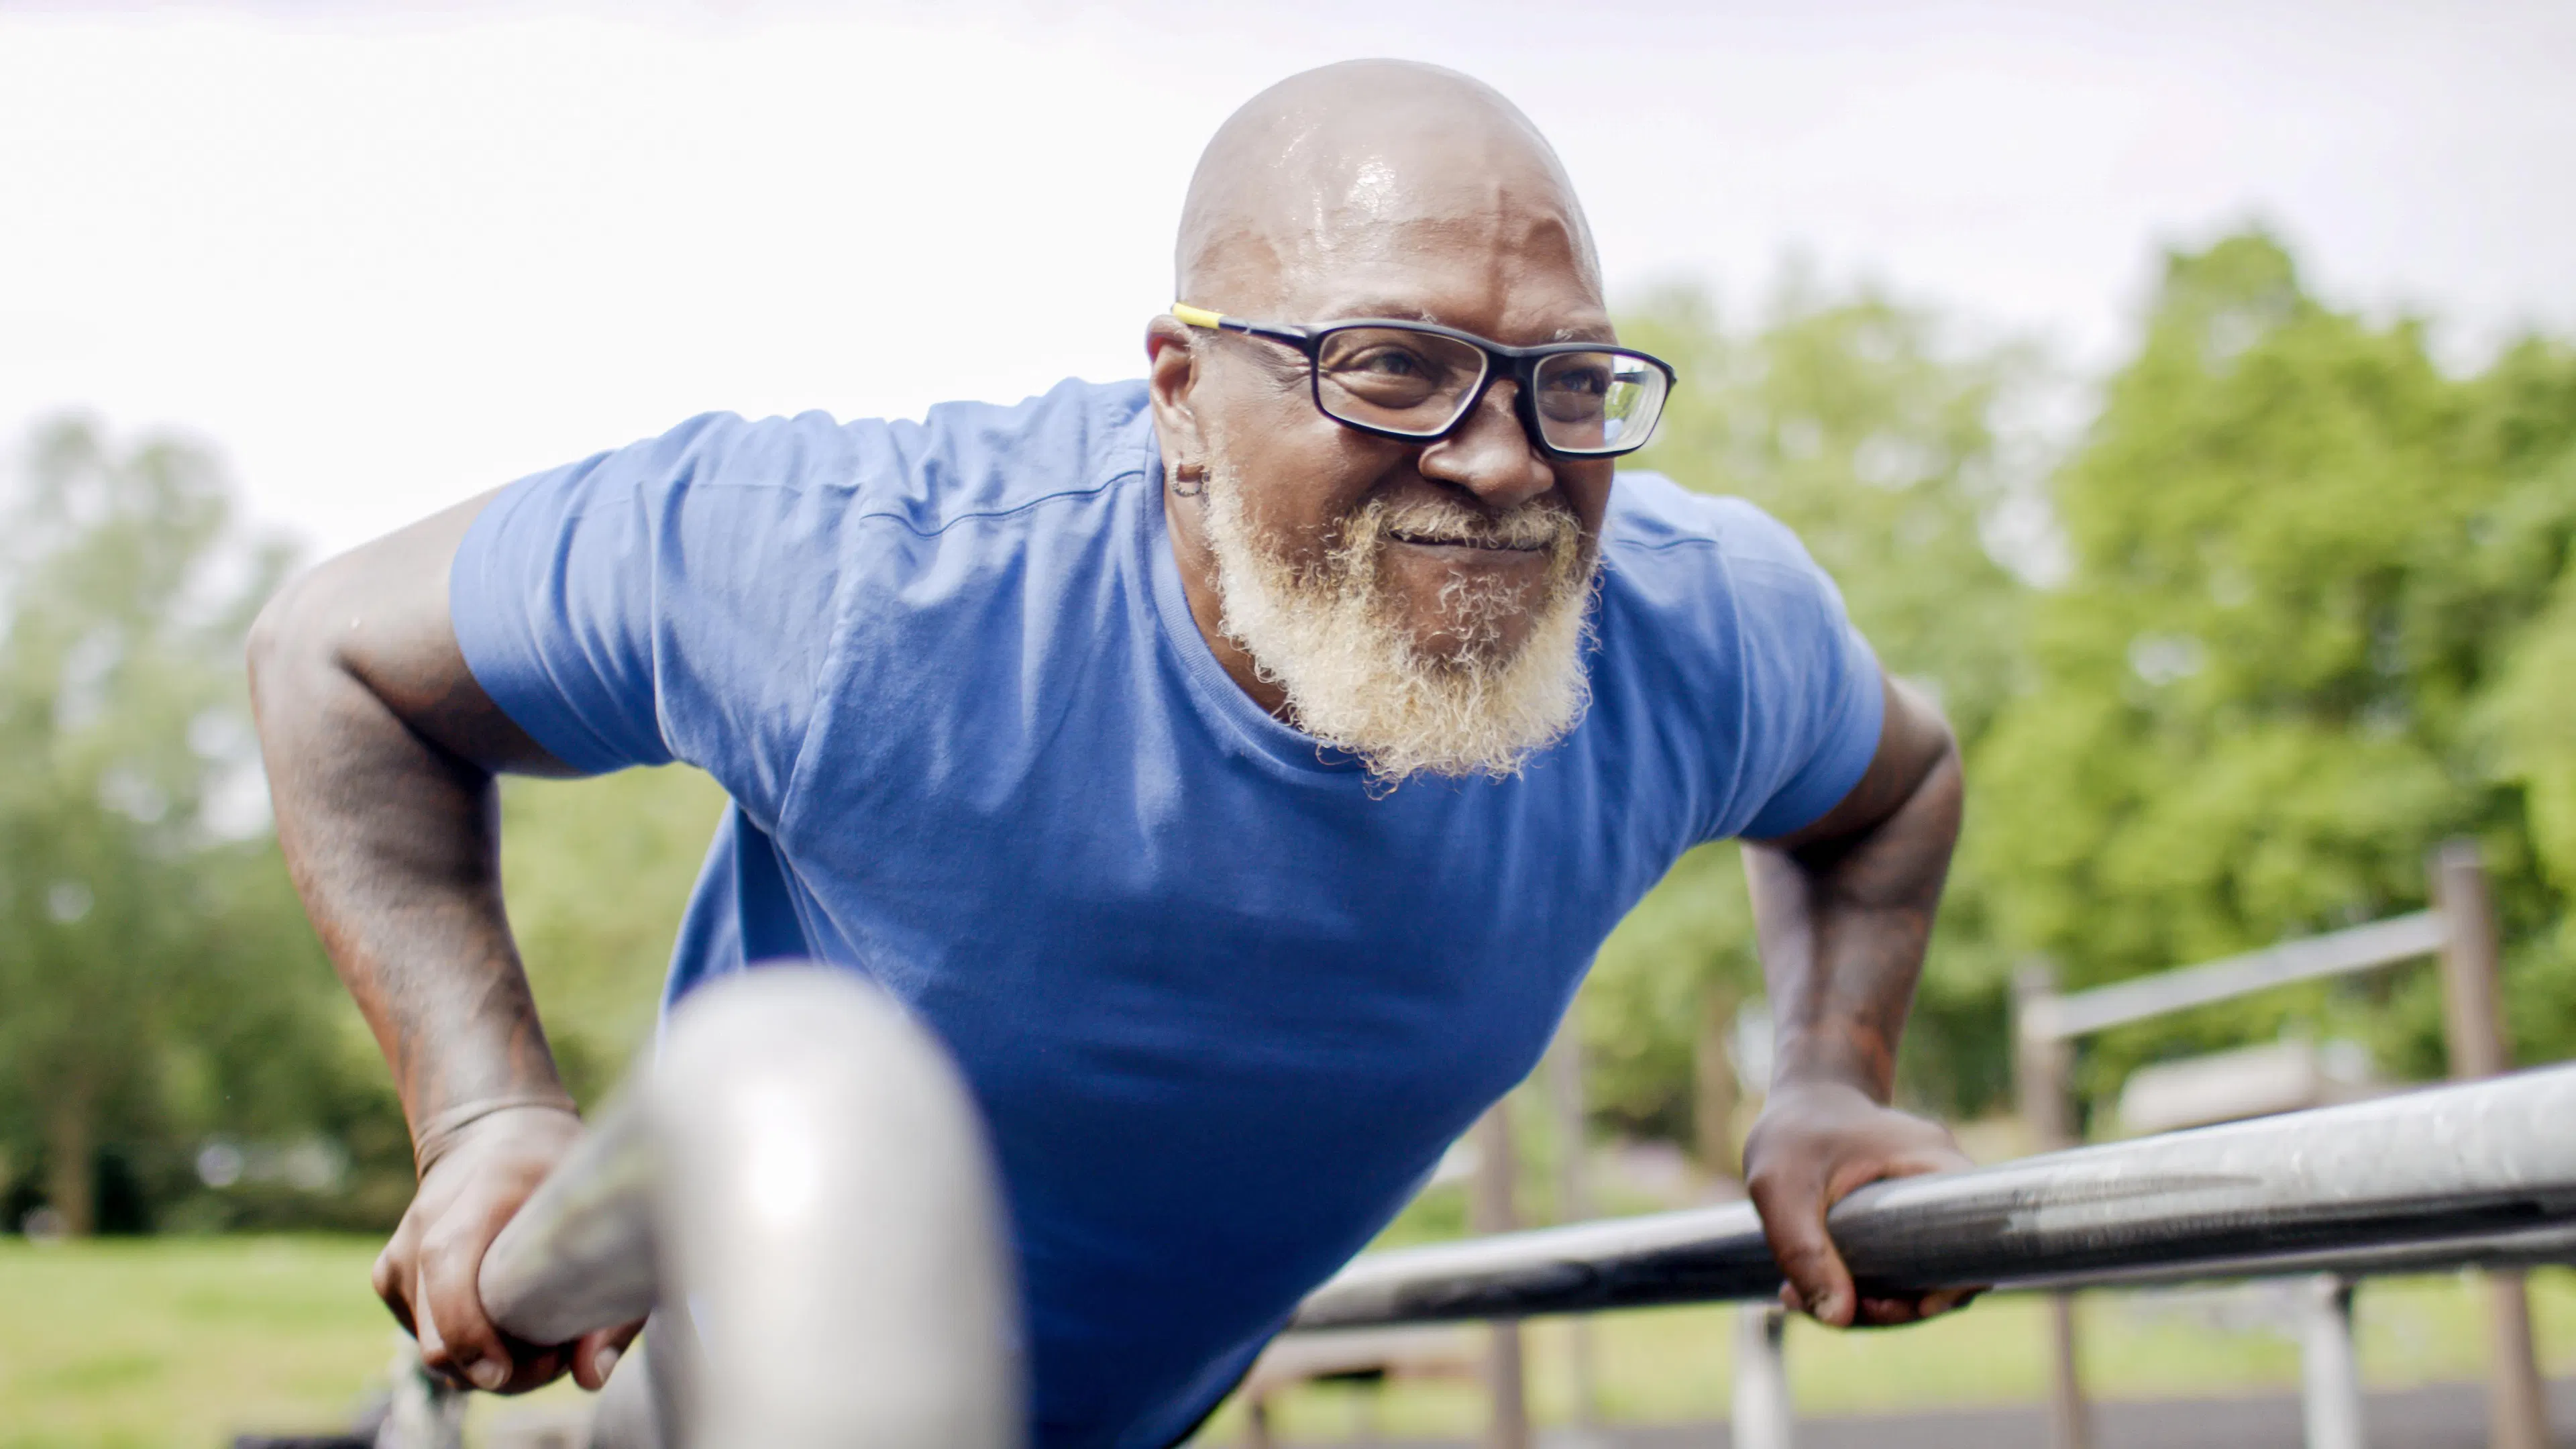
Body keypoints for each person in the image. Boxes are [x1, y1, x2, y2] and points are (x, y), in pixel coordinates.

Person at [248, 58, 1972, 1449]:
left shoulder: (1693, 629)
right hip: (699, 1395)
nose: (1507, 461)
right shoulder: (857, 574)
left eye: (1567, 382)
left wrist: (1827, 1077)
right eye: (1393, 367)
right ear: (1177, 391)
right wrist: (482, 1110)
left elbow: (1894, 793)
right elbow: (336, 655)